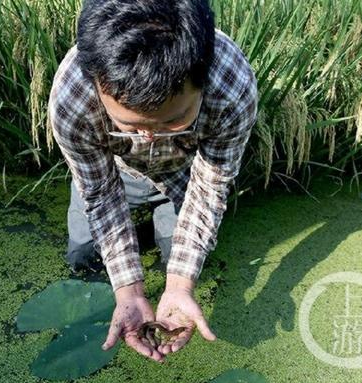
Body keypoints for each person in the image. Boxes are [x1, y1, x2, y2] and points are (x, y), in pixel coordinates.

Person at [49, 0, 258, 363]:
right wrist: (127, 292)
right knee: (84, 256)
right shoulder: (72, 99)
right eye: (129, 125)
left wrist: (180, 284)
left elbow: (209, 188)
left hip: (184, 173)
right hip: (111, 171)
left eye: (171, 122)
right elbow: (99, 192)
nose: (147, 137)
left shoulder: (232, 88)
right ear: (97, 83)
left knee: (176, 260)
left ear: (203, 79)